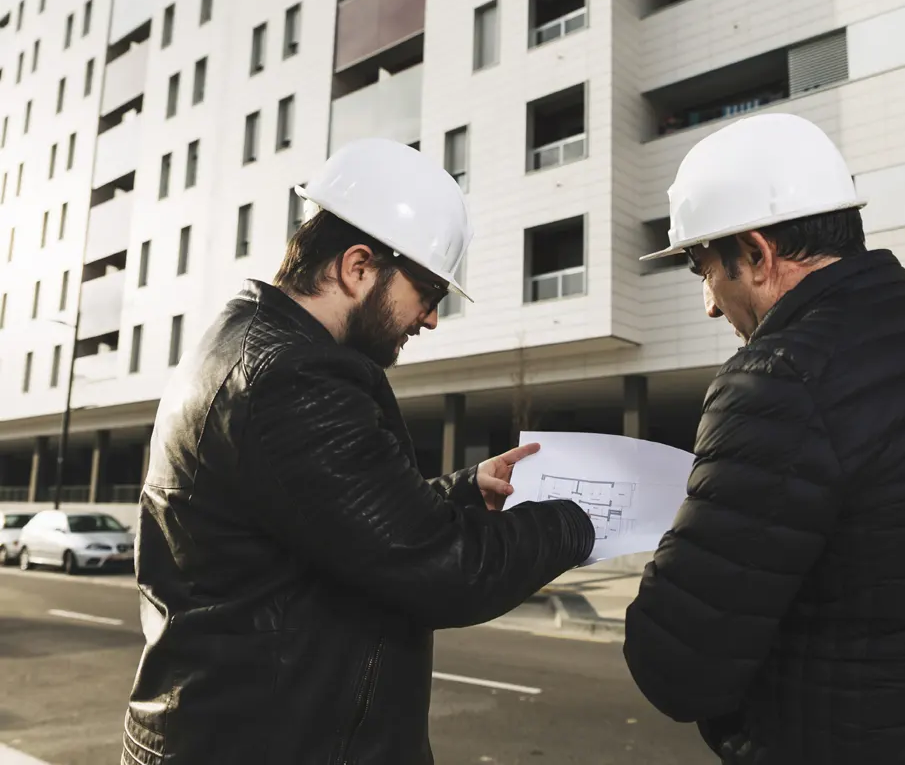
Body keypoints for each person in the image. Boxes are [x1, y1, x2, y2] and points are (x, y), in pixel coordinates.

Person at [121, 139, 595, 765]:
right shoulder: (294, 380)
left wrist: (460, 490)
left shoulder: (243, 344)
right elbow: (443, 569)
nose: (428, 319)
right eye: (427, 291)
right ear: (358, 266)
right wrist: (577, 519)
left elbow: (329, 523)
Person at [623, 114, 905, 764]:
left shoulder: (779, 381)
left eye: (703, 269)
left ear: (759, 254)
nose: (711, 304)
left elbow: (678, 665)